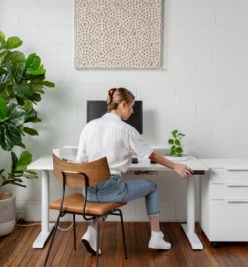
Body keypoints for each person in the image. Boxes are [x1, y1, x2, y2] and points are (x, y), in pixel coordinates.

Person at [76, 87, 193, 255]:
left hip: (89, 192)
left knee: (105, 196)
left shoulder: (89, 126)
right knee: (151, 186)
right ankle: (155, 237)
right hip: (111, 189)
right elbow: (150, 154)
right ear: (123, 105)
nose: (131, 112)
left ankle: (91, 232)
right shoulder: (127, 130)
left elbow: (81, 161)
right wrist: (175, 166)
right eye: (131, 107)